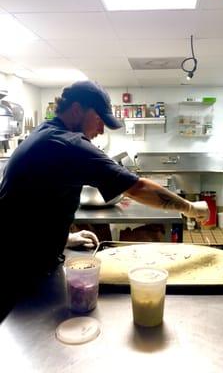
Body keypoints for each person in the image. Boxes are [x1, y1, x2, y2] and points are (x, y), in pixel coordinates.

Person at [0, 80, 208, 321]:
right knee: (17, 331)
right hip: (17, 269)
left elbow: (30, 203)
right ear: (77, 110)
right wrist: (190, 208)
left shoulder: (45, 132)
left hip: (18, 254)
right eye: (99, 121)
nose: (101, 131)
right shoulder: (69, 144)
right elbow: (136, 187)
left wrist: (63, 238)